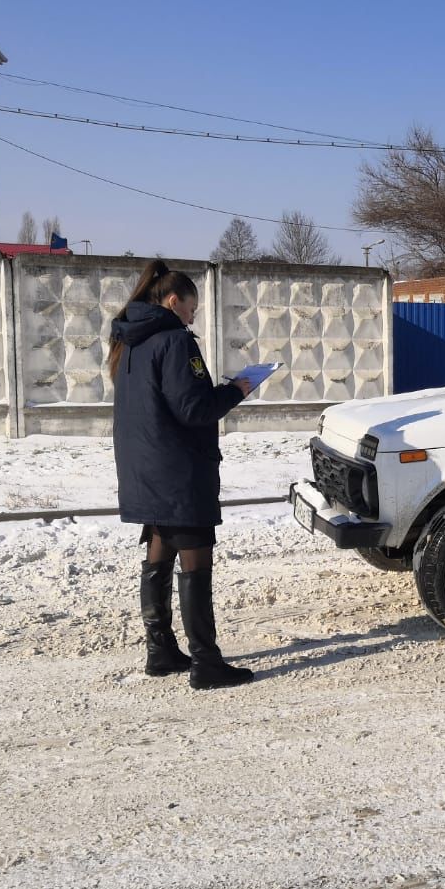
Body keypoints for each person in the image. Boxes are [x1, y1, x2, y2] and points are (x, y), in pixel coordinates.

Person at [107, 259, 258, 689]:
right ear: (173, 302)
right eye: (191, 309)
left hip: (144, 467)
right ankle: (206, 662)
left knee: (159, 551)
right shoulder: (175, 341)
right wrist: (235, 391)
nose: (193, 317)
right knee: (195, 558)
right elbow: (193, 408)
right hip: (179, 468)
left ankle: (160, 651)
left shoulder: (130, 340)